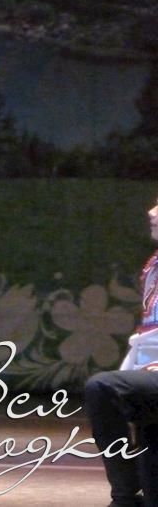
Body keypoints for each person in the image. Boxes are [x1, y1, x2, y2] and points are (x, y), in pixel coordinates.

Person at [84, 198, 158, 507]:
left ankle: (125, 496)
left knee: (102, 388)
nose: (151, 212)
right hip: (149, 371)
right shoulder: (153, 264)